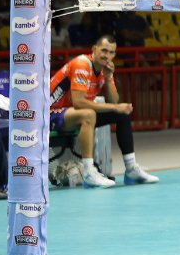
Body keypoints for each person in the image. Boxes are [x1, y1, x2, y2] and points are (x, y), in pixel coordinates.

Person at [48, 34, 159, 188]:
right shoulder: (82, 64)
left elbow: (114, 101)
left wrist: (108, 79)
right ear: (95, 49)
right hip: (49, 114)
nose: (107, 56)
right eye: (104, 51)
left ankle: (131, 168)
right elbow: (79, 102)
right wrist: (115, 107)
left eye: (111, 52)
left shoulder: (104, 69)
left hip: (71, 114)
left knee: (122, 114)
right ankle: (89, 172)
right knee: (88, 114)